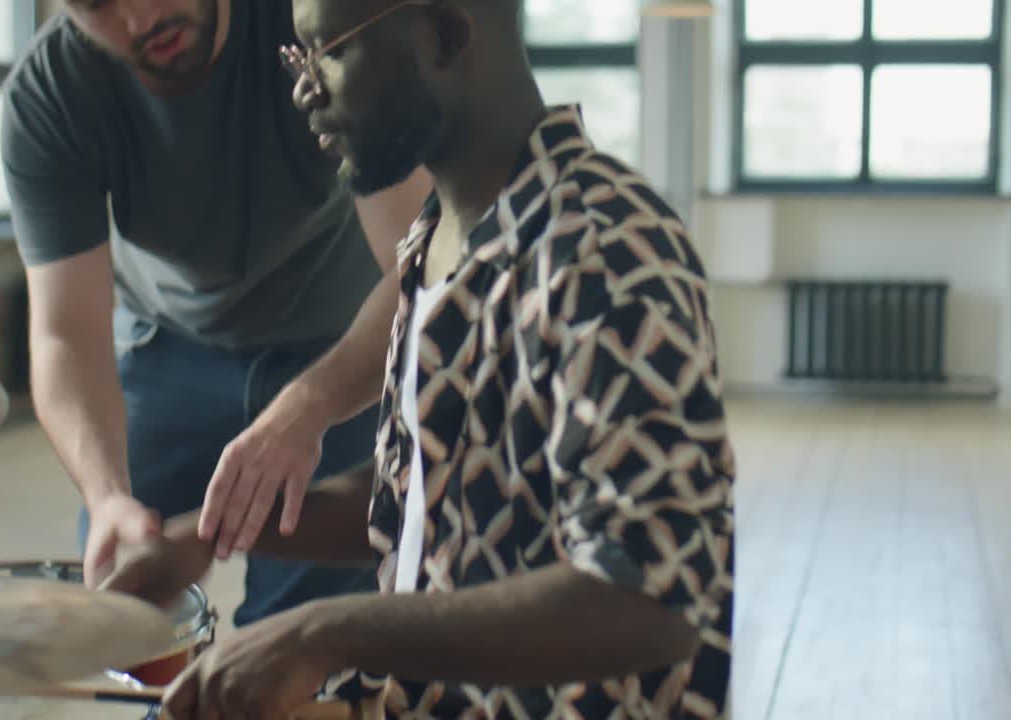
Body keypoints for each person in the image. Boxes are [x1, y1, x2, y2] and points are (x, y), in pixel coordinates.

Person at [100, 0, 737, 717]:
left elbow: (647, 596)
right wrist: (203, 537)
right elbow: (429, 495)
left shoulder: (600, 250)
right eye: (294, 59)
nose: (305, 89)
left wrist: (320, 633)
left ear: (444, 33)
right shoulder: (435, 239)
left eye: (326, 53)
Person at [0, 0, 432, 628]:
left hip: (337, 342)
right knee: (126, 614)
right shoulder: (50, 95)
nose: (142, 19)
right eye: (96, 6)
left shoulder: (316, 28)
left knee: (305, 637)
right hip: (167, 348)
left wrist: (308, 404)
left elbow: (415, 267)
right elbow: (66, 333)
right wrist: (108, 496)